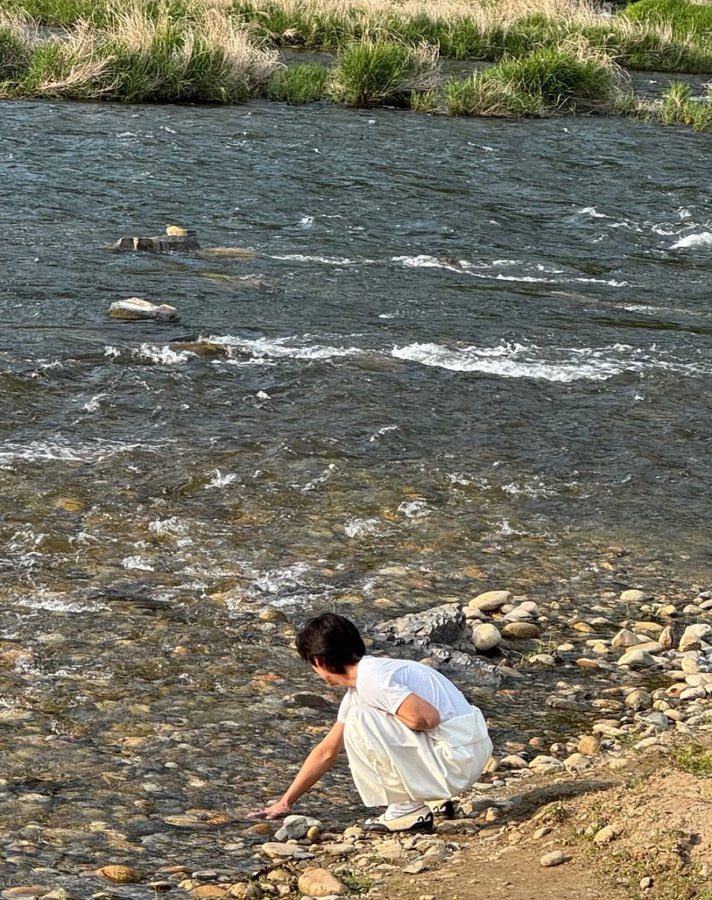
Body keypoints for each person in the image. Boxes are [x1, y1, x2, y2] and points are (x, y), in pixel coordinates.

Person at [248, 612, 492, 834]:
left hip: (458, 761)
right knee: (360, 715)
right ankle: (426, 797)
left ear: (319, 662)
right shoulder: (370, 678)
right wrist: (285, 802)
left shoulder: (371, 680)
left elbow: (427, 718)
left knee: (359, 719)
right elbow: (327, 751)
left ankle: (406, 809)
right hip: (467, 750)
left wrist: (385, 717)